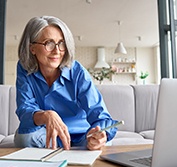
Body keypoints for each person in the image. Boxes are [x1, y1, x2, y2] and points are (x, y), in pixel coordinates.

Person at [14, 16, 118, 150]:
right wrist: (46, 115)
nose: (57, 51)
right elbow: (25, 109)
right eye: (48, 43)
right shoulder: (24, 68)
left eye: (61, 43)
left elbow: (99, 114)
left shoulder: (77, 71)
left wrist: (101, 134)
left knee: (104, 143)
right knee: (24, 138)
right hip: (47, 135)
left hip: (82, 136)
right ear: (32, 48)